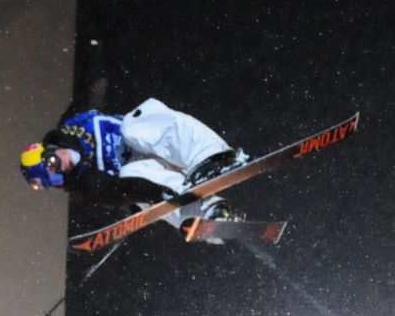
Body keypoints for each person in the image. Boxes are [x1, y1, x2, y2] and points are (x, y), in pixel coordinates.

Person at [20, 97, 248, 233]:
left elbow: (93, 82)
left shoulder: (74, 122)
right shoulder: (84, 183)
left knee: (132, 125)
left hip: (158, 141)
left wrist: (96, 50)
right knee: (137, 188)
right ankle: (209, 213)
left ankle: (216, 157)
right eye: (55, 178)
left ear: (50, 149)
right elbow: (121, 189)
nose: (61, 171)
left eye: (53, 163)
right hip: (154, 174)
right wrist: (156, 194)